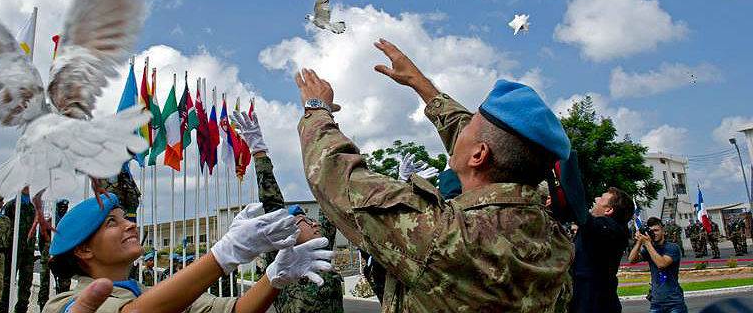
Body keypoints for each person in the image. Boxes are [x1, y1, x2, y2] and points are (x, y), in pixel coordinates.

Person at [293, 38, 574, 311]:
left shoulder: (444, 235)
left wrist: (317, 109)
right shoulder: (554, 239)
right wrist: (421, 85)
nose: (459, 132)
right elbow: (493, 144)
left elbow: (333, 172)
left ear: (478, 155)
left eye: (467, 130)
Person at [42, 193, 333, 313]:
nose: (130, 225)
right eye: (111, 223)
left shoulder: (149, 293)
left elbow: (237, 310)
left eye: (125, 217)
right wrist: (225, 253)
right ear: (83, 249)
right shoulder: (64, 304)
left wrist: (274, 277)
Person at [232, 110, 345, 313]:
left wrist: (328, 131)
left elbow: (330, 198)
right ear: (288, 230)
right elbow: (272, 202)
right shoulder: (282, 260)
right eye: (306, 221)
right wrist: (259, 152)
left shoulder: (319, 252)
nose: (315, 223)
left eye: (312, 221)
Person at [570, 187, 634, 313]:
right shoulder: (598, 230)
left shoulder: (612, 229)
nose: (596, 199)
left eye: (601, 198)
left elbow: (580, 212)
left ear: (609, 210)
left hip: (595, 305)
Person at [629, 217, 687, 313]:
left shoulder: (672, 247)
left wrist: (647, 243)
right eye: (651, 231)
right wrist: (639, 242)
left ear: (663, 231)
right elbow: (632, 260)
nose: (653, 233)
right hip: (656, 302)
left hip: (674, 302)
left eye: (656, 230)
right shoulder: (650, 248)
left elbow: (662, 264)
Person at [0, 186, 36, 313]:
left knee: (26, 282)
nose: (27, 188)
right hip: (12, 250)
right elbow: (4, 228)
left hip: (28, 250)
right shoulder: (11, 206)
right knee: (8, 282)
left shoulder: (32, 208)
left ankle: (21, 310)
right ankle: (3, 309)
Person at [39, 199, 72, 310]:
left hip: (63, 255)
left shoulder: (69, 223)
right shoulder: (48, 222)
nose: (63, 209)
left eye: (65, 208)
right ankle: (43, 307)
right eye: (61, 207)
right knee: (45, 283)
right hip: (48, 254)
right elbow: (41, 241)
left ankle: (62, 307)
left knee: (64, 285)